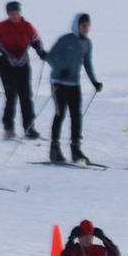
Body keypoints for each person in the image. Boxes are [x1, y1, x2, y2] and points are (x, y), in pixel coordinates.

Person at [44, 13, 103, 164]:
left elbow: (87, 64)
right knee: (60, 114)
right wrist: (60, 69)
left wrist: (94, 82)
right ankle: (54, 148)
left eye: (87, 26)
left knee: (76, 116)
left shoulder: (87, 43)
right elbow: (50, 56)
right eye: (82, 25)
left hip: (74, 84)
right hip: (58, 83)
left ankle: (75, 148)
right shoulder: (65, 39)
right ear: (76, 25)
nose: (85, 28)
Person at [0, 0, 44, 138]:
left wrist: (41, 52)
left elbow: (36, 41)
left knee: (26, 97)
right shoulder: (1, 27)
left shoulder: (27, 26)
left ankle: (29, 128)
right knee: (11, 96)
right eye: (11, 13)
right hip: (6, 65)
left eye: (16, 13)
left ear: (20, 13)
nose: (14, 16)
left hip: (23, 65)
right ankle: (8, 128)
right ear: (7, 14)